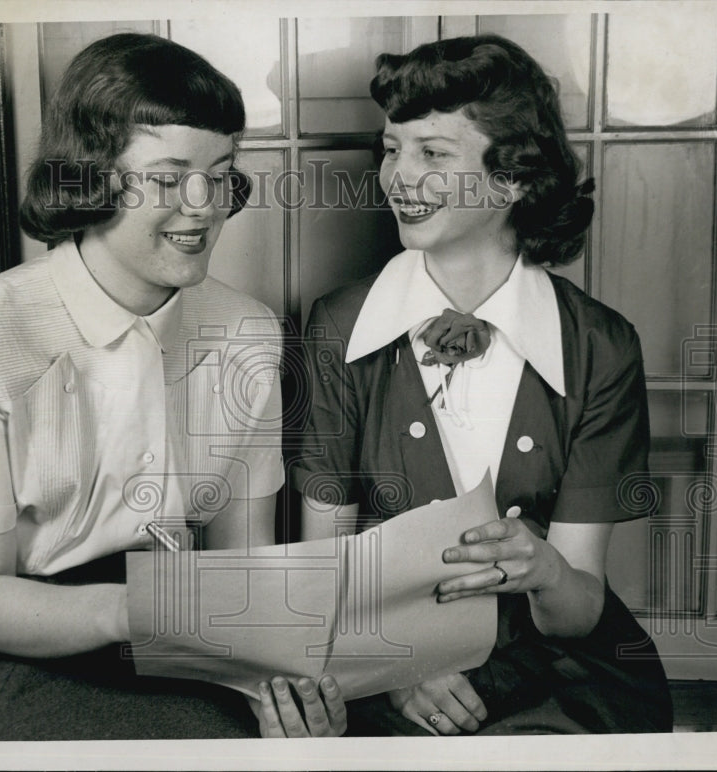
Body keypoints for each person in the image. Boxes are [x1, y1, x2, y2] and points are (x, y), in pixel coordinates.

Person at [0, 32, 307, 740]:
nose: (206, 205)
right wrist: (129, 611)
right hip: (13, 643)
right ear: (90, 176)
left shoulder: (248, 331)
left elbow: (246, 564)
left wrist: (279, 679)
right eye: (171, 175)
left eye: (221, 171)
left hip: (184, 630)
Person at [287, 34, 673, 735]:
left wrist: (545, 570)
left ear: (514, 179)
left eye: (433, 153)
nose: (398, 177)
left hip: (555, 675)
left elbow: (579, 608)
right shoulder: (337, 327)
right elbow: (324, 566)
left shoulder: (600, 346)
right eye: (391, 148)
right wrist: (395, 665)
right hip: (378, 667)